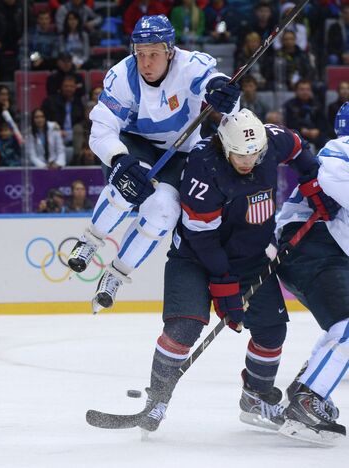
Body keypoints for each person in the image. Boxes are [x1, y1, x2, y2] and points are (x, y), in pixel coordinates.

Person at [123, 109, 338, 434]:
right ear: (224, 145)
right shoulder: (203, 165)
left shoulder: (269, 141)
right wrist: (224, 286)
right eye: (240, 155)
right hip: (194, 256)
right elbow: (202, 237)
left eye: (253, 154)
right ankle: (158, 398)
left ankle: (256, 396)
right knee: (184, 327)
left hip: (249, 257)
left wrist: (311, 181)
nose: (248, 161)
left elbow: (296, 148)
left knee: (271, 331)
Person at [66, 15, 241, 311]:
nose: (145, 62)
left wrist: (225, 96)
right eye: (141, 53)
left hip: (179, 152)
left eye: (154, 54)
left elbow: (219, 89)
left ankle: (116, 274)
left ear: (170, 51)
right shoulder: (123, 76)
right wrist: (118, 158)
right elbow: (101, 130)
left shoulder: (189, 65)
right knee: (126, 186)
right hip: (135, 144)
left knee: (163, 211)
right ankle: (91, 240)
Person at [275, 103, 349, 444]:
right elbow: (330, 174)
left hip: (323, 252)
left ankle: (307, 387)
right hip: (309, 244)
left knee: (342, 324)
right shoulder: (340, 148)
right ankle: (308, 398)